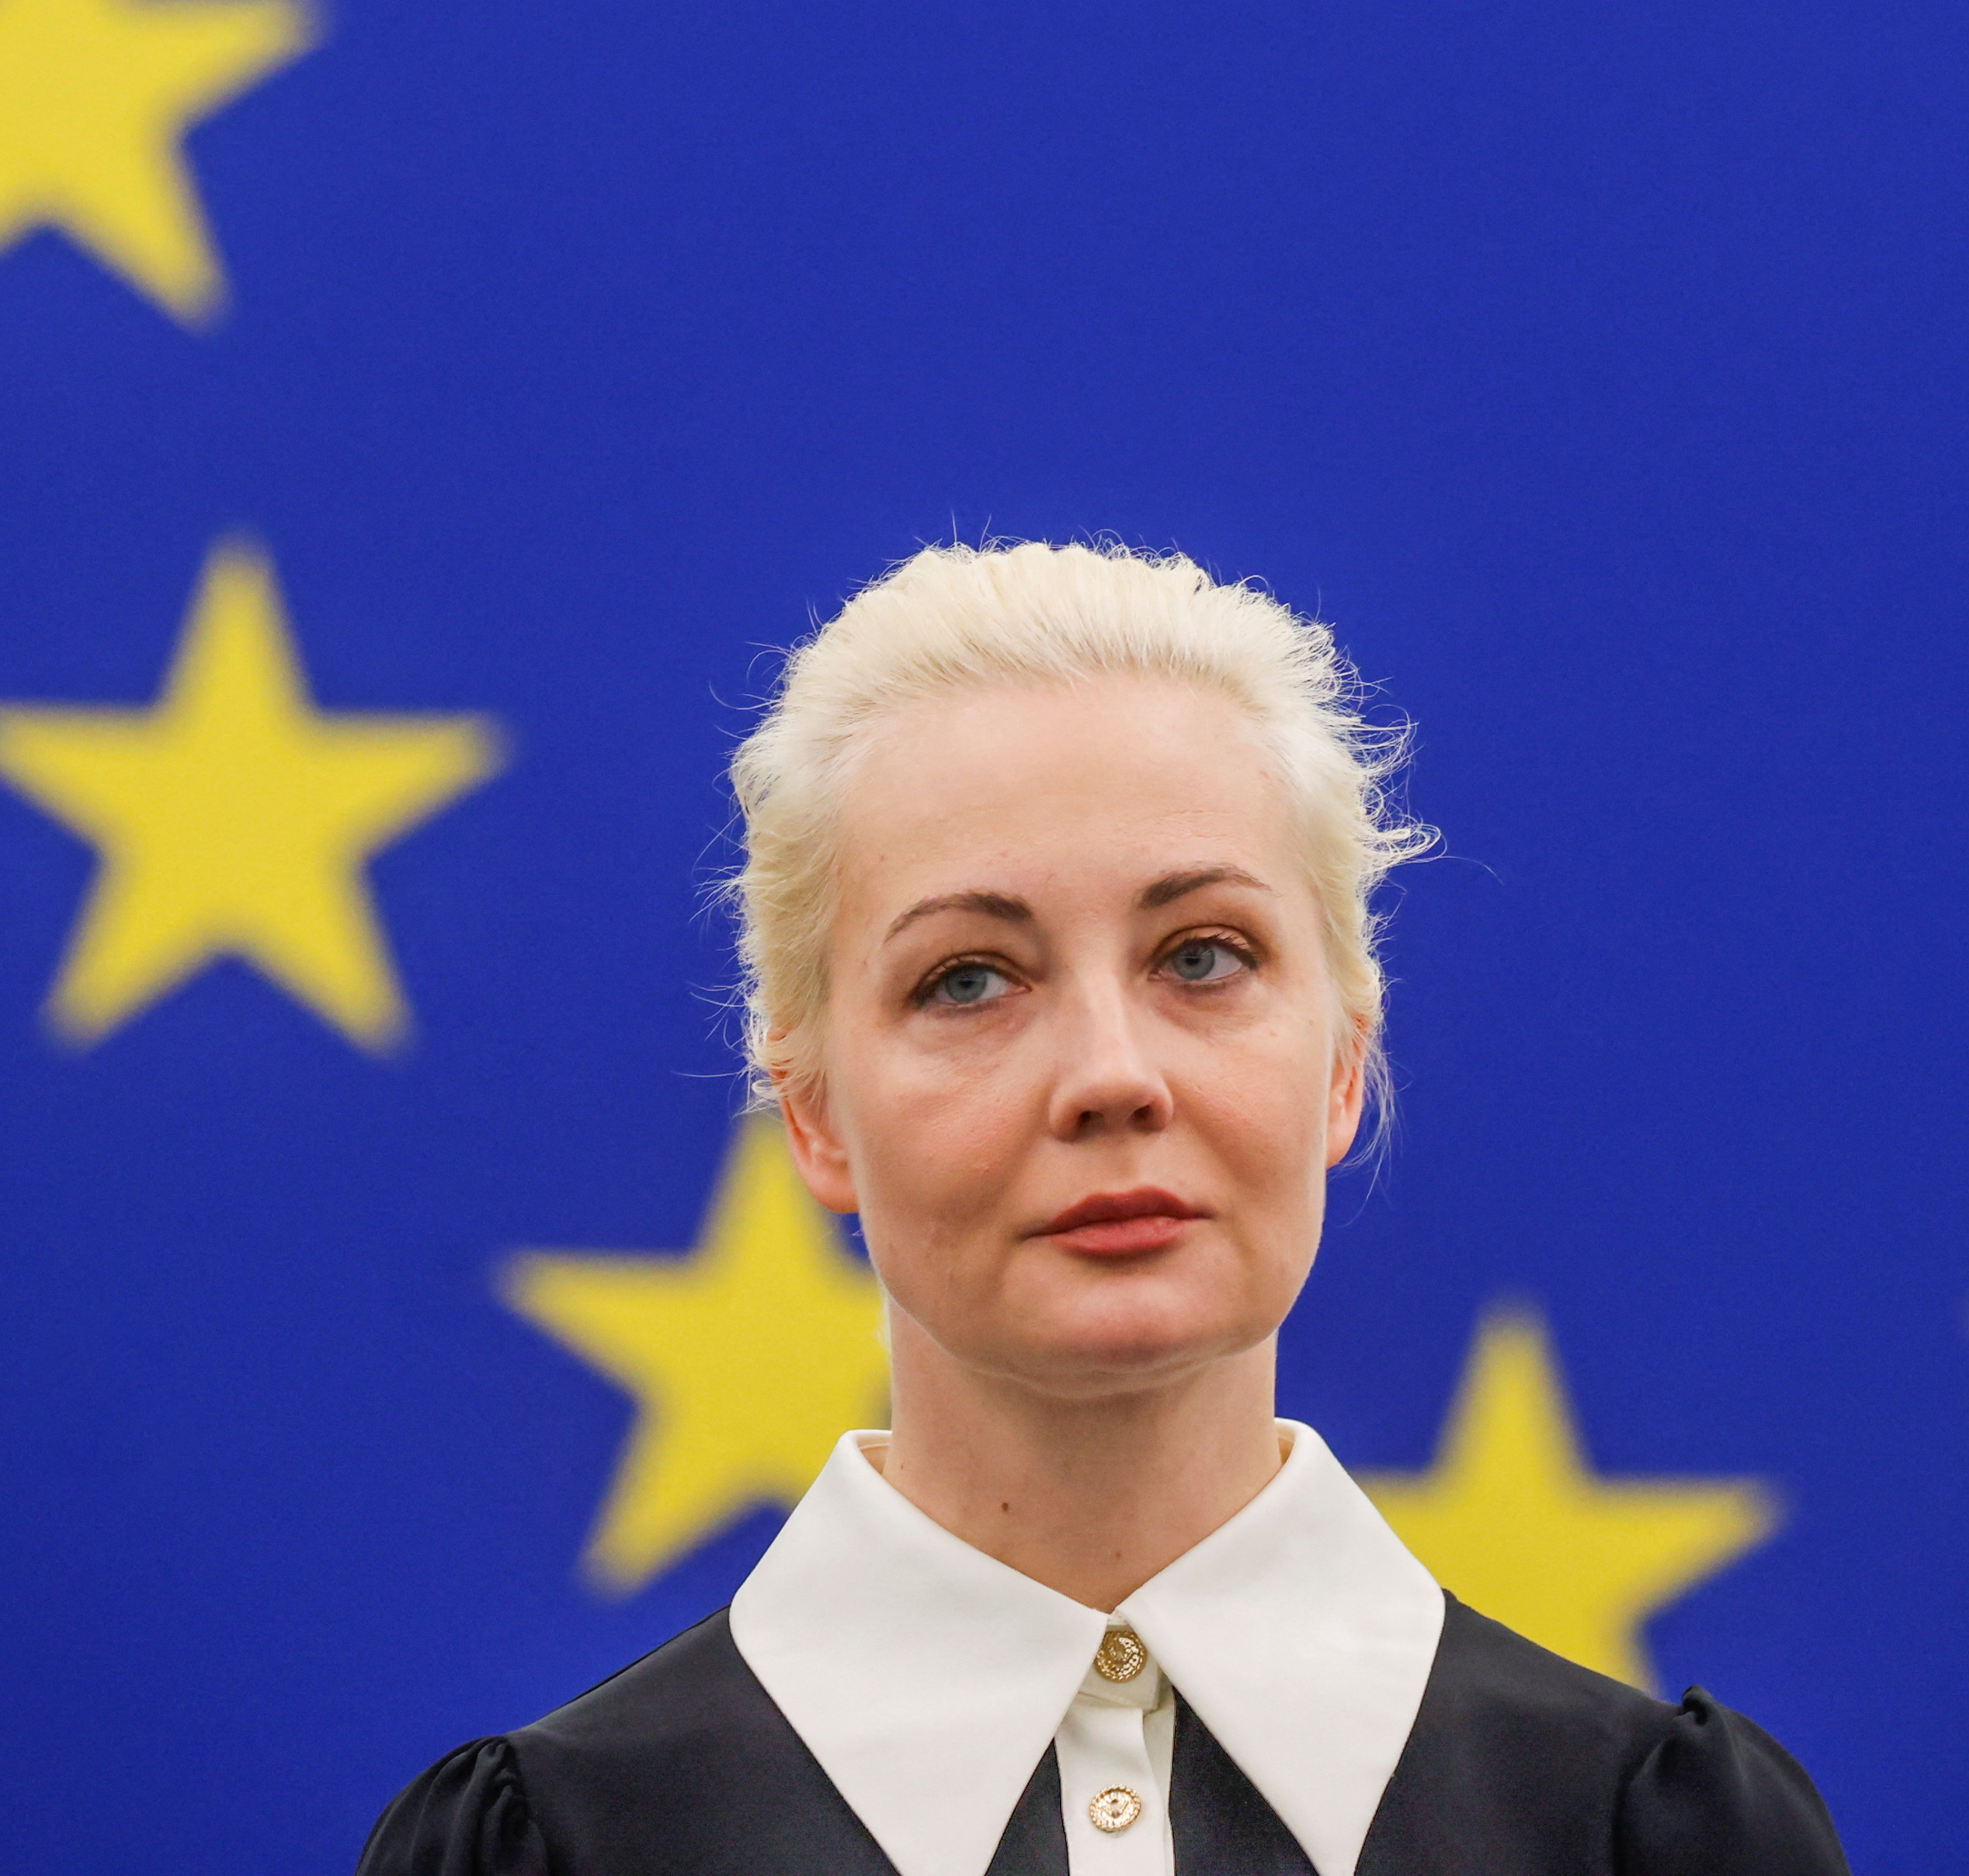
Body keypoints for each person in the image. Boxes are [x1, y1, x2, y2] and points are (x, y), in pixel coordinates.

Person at [360, 541, 1848, 1876]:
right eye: (969, 980)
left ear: (1344, 1059)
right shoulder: (549, 1853)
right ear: (810, 1110)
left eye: (1202, 957)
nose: (1108, 1076)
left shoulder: (1653, 1842)